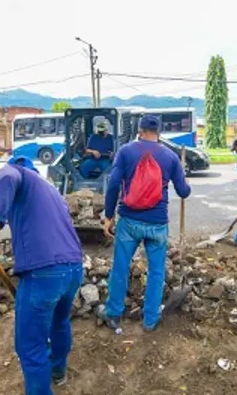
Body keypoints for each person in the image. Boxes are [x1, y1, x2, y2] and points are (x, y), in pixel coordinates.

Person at [0, 156, 83, 395]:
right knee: (59, 322)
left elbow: (7, 177)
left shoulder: (12, 172)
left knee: (30, 346)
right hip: (73, 268)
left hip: (43, 273)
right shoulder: (50, 191)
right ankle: (58, 371)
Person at [97, 115, 191, 332]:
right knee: (156, 271)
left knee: (120, 267)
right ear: (158, 132)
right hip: (157, 224)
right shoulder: (170, 156)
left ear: (140, 130)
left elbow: (113, 185)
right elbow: (183, 191)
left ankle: (113, 314)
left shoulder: (126, 151)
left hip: (129, 220)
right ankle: (150, 320)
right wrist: (184, 179)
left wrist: (109, 216)